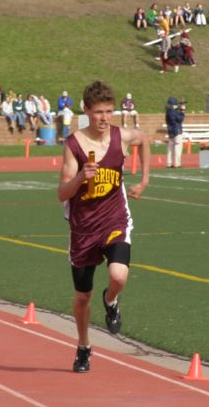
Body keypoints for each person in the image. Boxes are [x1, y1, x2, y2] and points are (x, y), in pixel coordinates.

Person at [57, 81, 149, 373]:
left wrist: (144, 180)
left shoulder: (121, 137)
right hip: (83, 228)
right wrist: (81, 178)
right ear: (86, 111)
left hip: (114, 219)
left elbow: (144, 139)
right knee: (82, 296)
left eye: (109, 111)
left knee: (118, 275)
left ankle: (110, 300)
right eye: (98, 112)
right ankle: (84, 346)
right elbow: (62, 192)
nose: (104, 118)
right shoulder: (74, 145)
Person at [165, 96, 185, 168]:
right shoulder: (174, 111)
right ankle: (177, 164)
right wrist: (182, 111)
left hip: (170, 130)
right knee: (177, 148)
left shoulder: (168, 111)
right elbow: (180, 119)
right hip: (177, 130)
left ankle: (169, 163)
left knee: (170, 148)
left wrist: (178, 108)